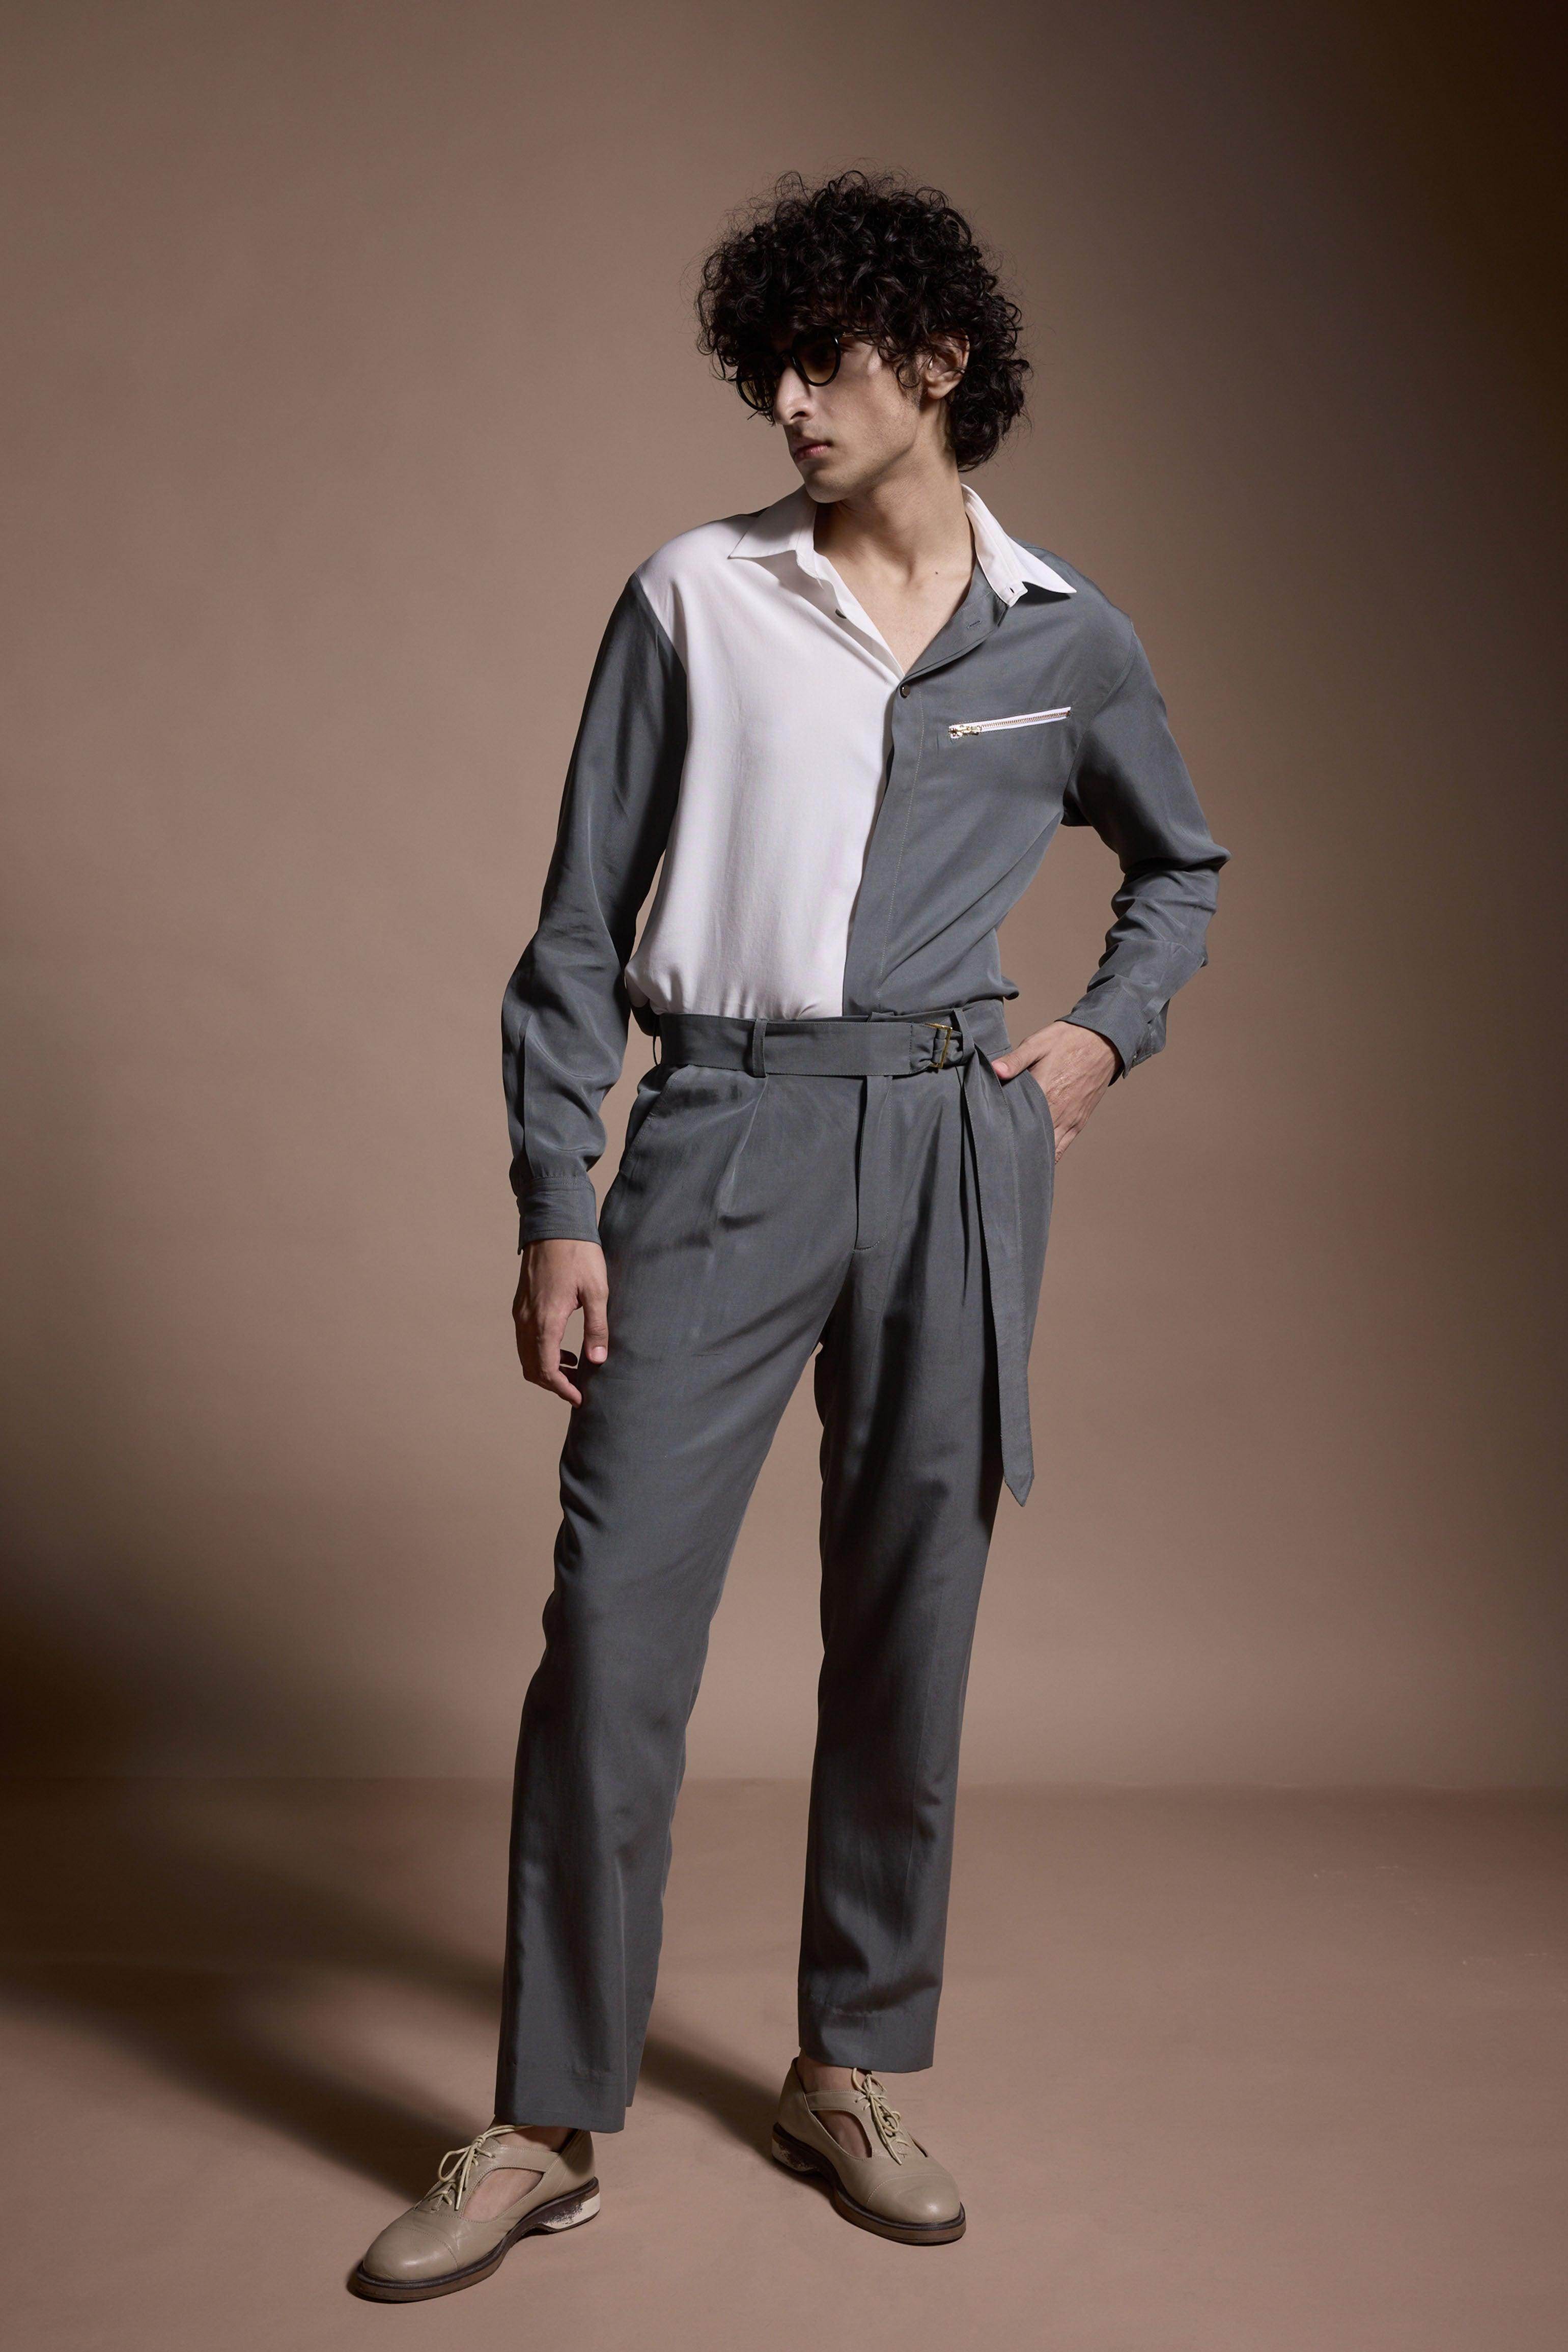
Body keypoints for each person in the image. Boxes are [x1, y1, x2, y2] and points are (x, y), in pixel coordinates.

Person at [351, 169, 1230, 2300]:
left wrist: (1099, 1039)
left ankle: (847, 2066)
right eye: (768, 369)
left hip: (948, 1147)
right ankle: (547, 2119)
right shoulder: (694, 598)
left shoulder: (1065, 634)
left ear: (936, 361)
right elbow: (577, 929)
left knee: (910, 1619)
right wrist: (555, 1198)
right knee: (614, 1633)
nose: (789, 405)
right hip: (722, 1137)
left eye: (825, 364)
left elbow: (1179, 868)